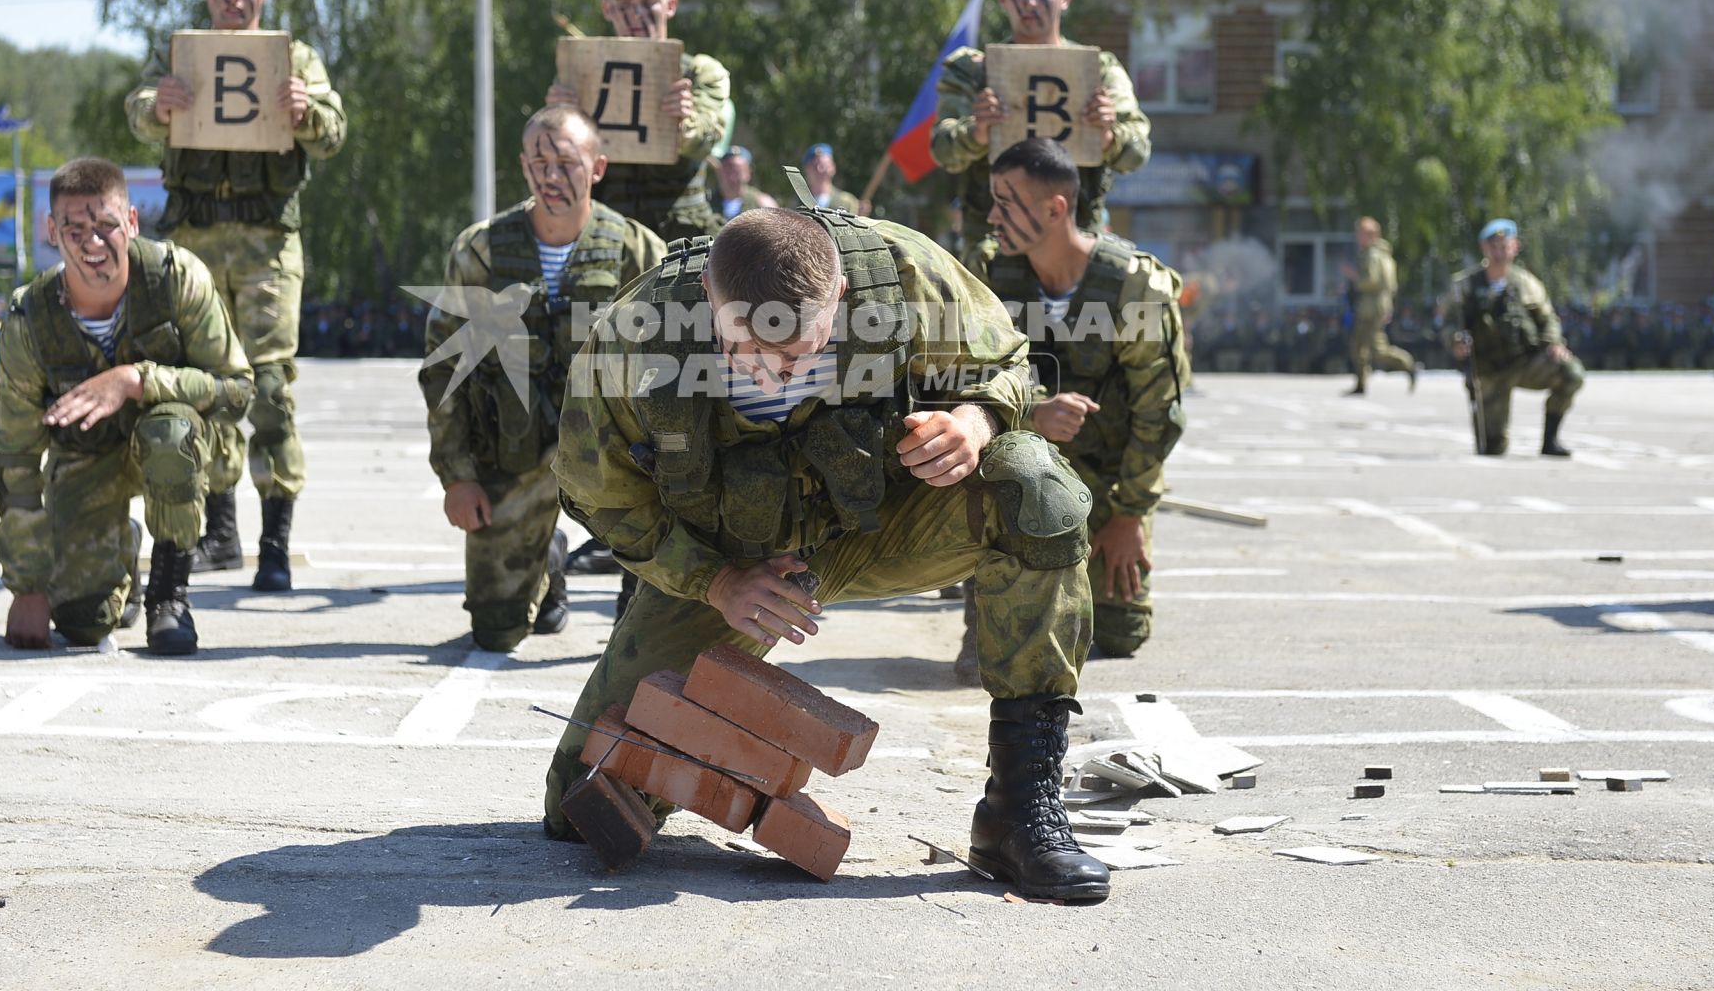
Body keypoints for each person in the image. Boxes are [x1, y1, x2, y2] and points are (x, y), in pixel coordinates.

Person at [540, 174, 1113, 903]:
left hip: (879, 528)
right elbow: (602, 497)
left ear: (839, 296)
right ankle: (705, 758)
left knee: (1036, 487)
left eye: (800, 353)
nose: (772, 372)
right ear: (710, 299)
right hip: (730, 569)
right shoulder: (636, 334)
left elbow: (1004, 365)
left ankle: (1018, 812)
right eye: (742, 350)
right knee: (577, 809)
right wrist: (714, 581)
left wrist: (975, 423)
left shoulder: (902, 275)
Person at [124, 0, 347, 592]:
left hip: (267, 243)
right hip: (192, 243)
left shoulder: (294, 57)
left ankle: (273, 542)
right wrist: (157, 104)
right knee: (205, 385)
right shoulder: (179, 53)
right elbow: (136, 115)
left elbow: (334, 132)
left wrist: (306, 111)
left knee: (271, 389)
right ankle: (218, 530)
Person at [420, 106, 665, 651]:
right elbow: (444, 370)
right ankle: (548, 561)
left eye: (566, 162)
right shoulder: (480, 249)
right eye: (538, 163)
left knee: (650, 630)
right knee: (497, 632)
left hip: (615, 457)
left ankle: (635, 581)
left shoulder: (637, 250)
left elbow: (675, 367)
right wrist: (457, 476)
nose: (551, 176)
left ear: (597, 168)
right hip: (511, 451)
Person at [0, 159, 252, 655]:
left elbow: (236, 389)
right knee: (82, 623)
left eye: (106, 225)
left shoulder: (177, 279)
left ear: (130, 222)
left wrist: (137, 380)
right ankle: (121, 553)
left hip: (179, 449)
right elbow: (16, 459)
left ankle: (168, 597)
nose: (93, 242)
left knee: (168, 432)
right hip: (87, 461)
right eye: (75, 228)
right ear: (51, 232)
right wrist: (27, 588)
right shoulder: (30, 321)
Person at [954, 138, 1186, 678]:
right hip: (1018, 473)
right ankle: (984, 583)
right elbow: (958, 379)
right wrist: (1033, 411)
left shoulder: (1134, 287)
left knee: (1120, 635)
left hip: (1106, 482)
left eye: (1006, 203)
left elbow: (1160, 413)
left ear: (1055, 209)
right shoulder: (988, 272)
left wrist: (1130, 515)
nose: (991, 216)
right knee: (1007, 640)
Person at [930, 0, 1149, 253]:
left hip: (1074, 249)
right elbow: (942, 151)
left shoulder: (1098, 71)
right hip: (991, 249)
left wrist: (1108, 136)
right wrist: (978, 132)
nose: (1030, 2)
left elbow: (1137, 153)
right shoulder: (972, 72)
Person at [547, 0, 731, 243]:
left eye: (647, 2)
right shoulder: (581, 73)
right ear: (607, 9)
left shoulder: (698, 72)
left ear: (670, 5)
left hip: (682, 239)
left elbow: (707, 139)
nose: (635, 15)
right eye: (623, 5)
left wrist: (682, 123)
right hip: (606, 235)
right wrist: (558, 123)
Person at [1451, 219, 1584, 457]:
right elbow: (1449, 322)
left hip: (1524, 364)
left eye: (1505, 246)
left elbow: (1548, 319)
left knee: (1571, 373)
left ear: (1515, 247)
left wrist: (1554, 343)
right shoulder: (1465, 285)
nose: (1500, 252)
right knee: (1492, 448)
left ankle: (1550, 440)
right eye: (1494, 246)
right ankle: (1493, 435)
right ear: (1484, 248)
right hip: (1487, 371)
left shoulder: (1527, 284)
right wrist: (1454, 342)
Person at [1345, 217, 1417, 396]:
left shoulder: (1374, 255)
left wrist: (1353, 277)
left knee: (1377, 349)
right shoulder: (1372, 253)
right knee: (1358, 346)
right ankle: (1361, 383)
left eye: (1361, 233)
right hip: (1367, 307)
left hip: (1373, 309)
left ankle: (1408, 364)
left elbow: (1373, 281)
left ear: (1371, 235)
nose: (1358, 237)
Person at [708, 145, 776, 222]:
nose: (732, 176)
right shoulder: (706, 201)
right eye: (728, 169)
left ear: (748, 172)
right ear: (720, 171)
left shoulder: (763, 204)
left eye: (737, 171)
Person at [800, 143, 862, 214]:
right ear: (807, 170)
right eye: (815, 166)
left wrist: (861, 217)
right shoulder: (799, 202)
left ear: (833, 167)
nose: (820, 169)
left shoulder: (847, 202)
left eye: (824, 165)